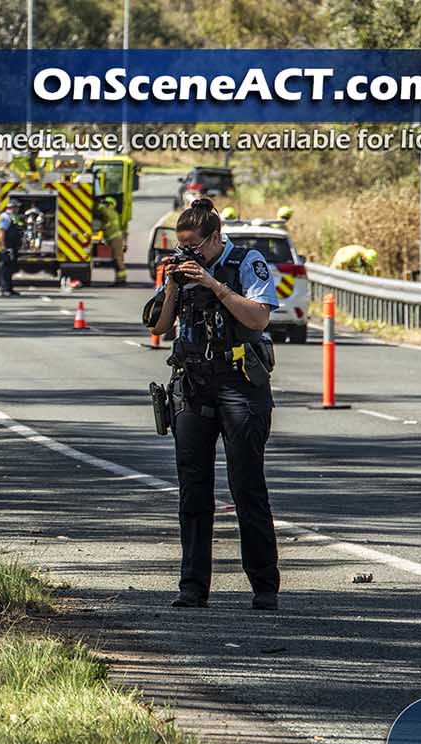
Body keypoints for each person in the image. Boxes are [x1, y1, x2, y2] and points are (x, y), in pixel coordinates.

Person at [143, 197, 281, 610]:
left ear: (216, 238)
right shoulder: (181, 271)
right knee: (192, 490)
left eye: (196, 248)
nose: (190, 255)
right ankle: (192, 587)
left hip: (240, 385)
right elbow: (160, 326)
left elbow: (259, 319)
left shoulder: (245, 263)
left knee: (247, 487)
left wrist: (212, 284)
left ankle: (264, 587)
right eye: (183, 247)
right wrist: (172, 285)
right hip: (193, 386)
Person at [94, 196, 127, 286]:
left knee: (118, 259)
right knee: (116, 259)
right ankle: (119, 279)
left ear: (111, 205)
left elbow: (101, 209)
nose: (105, 205)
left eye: (106, 203)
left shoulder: (110, 212)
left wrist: (96, 202)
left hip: (115, 239)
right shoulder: (113, 213)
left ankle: (121, 279)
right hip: (113, 239)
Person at [0, 198, 22, 296]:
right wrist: (3, 246)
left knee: (11, 267)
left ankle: (9, 288)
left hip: (13, 245)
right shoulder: (5, 217)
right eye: (16, 207)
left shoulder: (13, 217)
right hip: (8, 245)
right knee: (6, 268)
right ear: (12, 207)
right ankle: (5, 289)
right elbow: (1, 231)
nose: (18, 209)